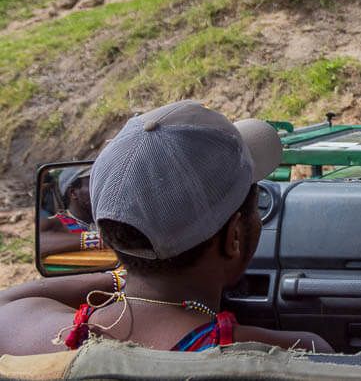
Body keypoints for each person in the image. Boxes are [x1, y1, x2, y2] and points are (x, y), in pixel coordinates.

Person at [0, 100, 331, 355]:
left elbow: (6, 302)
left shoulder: (32, 333)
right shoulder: (299, 352)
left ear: (105, 234)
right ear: (234, 238)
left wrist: (122, 276)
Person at [38, 166, 106, 259]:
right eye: (94, 185)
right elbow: (39, 243)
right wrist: (103, 240)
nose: (103, 190)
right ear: (73, 193)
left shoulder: (105, 219)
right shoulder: (57, 223)